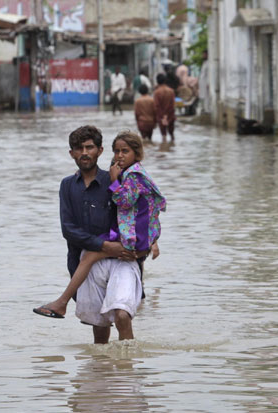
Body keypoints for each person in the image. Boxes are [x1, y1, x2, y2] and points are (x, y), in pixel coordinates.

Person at [34, 129, 166, 342]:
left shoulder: (116, 179)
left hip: (123, 258)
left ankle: (127, 368)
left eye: (90, 147)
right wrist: (105, 246)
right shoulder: (67, 185)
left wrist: (150, 243)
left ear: (100, 151)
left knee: (122, 314)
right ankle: (102, 370)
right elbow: (68, 229)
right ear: (72, 153)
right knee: (98, 323)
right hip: (88, 260)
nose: (84, 153)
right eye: (79, 149)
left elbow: (141, 211)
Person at [153, 73, 176, 143]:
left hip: (161, 116)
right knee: (172, 134)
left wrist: (163, 117)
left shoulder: (157, 92)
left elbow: (157, 106)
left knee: (163, 135)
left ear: (157, 81)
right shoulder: (171, 91)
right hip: (170, 115)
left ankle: (164, 149)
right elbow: (172, 105)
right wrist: (167, 116)